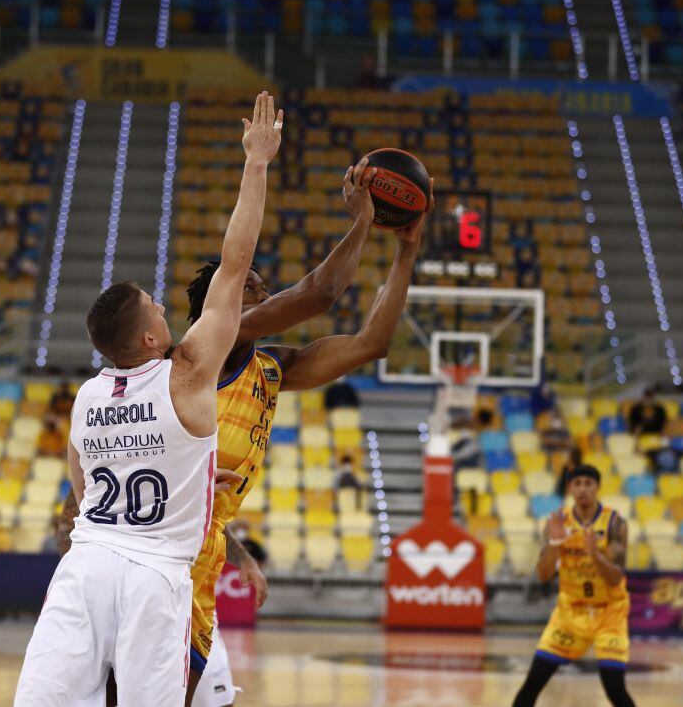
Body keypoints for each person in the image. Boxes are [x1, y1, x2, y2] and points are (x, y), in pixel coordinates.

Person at [55, 140, 432, 707]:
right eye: (250, 288)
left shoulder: (271, 368)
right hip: (155, 567)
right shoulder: (203, 358)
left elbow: (371, 344)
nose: (261, 291)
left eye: (259, 286)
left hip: (196, 557)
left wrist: (406, 250)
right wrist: (363, 222)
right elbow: (320, 293)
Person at [15, 91, 283, 707]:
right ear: (146, 336)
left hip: (87, 564)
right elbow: (234, 266)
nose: (166, 307)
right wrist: (256, 163)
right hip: (156, 574)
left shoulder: (86, 395)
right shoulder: (186, 374)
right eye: (156, 308)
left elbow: (81, 484)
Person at [512, 464, 635, 707]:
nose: (582, 490)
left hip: (609, 612)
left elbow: (615, 579)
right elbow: (544, 574)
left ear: (597, 487)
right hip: (570, 612)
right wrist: (556, 543)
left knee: (614, 687)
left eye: (588, 484)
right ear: (570, 488)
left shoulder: (614, 523)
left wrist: (595, 556)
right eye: (577, 484)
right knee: (532, 683)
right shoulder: (558, 523)